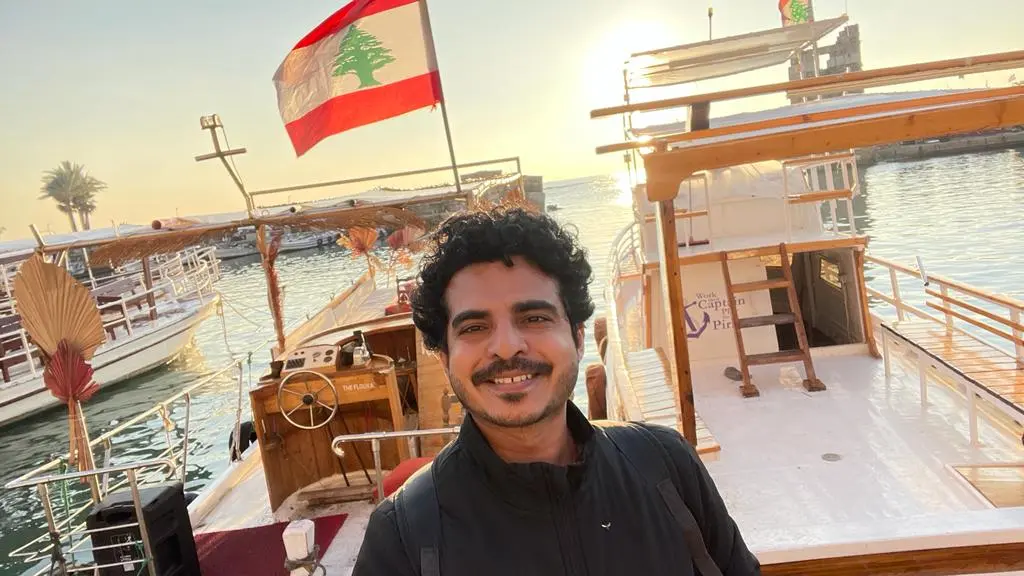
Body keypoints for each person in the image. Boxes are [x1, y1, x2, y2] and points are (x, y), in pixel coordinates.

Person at [352, 207, 760, 576]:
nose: (507, 346)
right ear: (444, 357)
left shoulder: (666, 465)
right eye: (475, 327)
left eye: (533, 317)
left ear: (579, 338)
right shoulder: (402, 537)